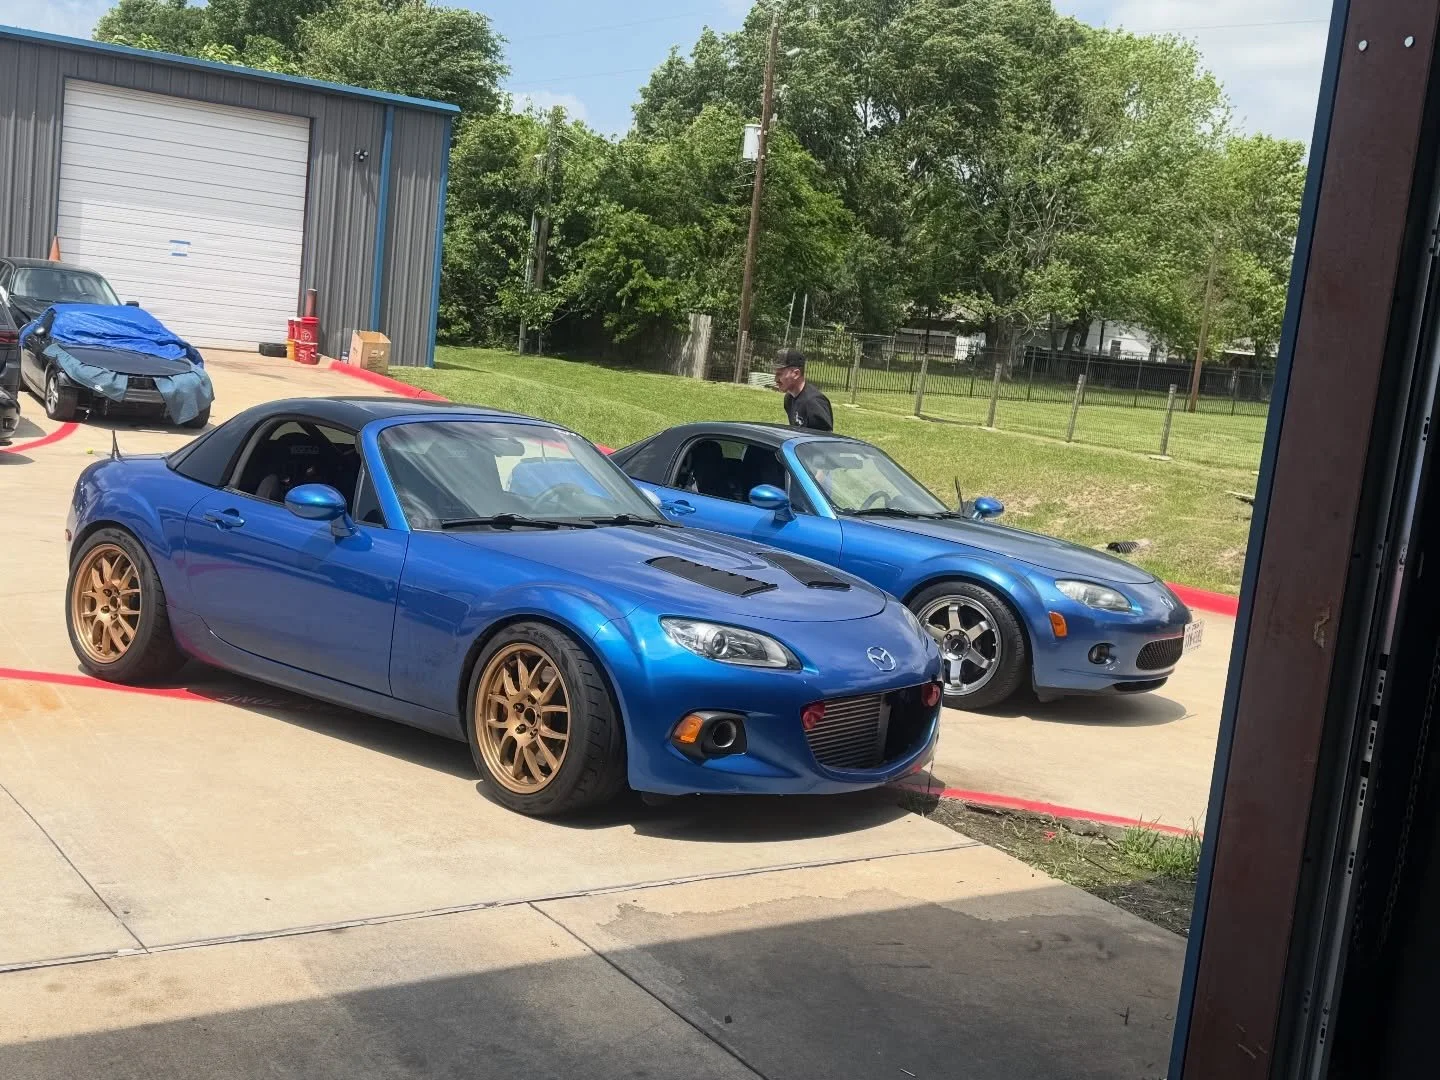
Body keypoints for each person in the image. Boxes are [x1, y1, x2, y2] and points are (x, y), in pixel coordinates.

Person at [774, 348, 833, 431]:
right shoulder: (789, 399)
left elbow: (824, 439)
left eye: (779, 374)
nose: (776, 379)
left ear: (796, 374)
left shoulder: (814, 402)